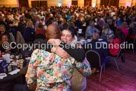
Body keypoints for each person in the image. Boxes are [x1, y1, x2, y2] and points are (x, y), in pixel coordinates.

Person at [25, 24, 91, 91]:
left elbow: (30, 80)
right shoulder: (70, 53)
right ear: (60, 35)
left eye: (68, 36)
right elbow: (87, 72)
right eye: (63, 35)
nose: (65, 38)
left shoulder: (37, 53)